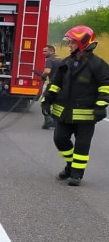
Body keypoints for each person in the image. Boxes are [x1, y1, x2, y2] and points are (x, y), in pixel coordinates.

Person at [40, 25, 109, 186]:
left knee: (82, 146)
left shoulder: (98, 64)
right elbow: (55, 84)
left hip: (86, 114)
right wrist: (47, 100)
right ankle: (71, 166)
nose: (69, 45)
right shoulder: (66, 62)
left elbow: (105, 85)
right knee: (60, 139)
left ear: (83, 42)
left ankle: (76, 174)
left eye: (72, 42)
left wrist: (101, 106)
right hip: (64, 112)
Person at [39, 43, 62, 129]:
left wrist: (43, 76)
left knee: (44, 102)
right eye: (43, 51)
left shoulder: (50, 60)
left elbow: (47, 71)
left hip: (53, 84)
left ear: (51, 51)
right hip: (62, 85)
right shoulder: (60, 59)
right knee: (56, 103)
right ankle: (55, 122)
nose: (43, 53)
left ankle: (48, 121)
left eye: (45, 51)